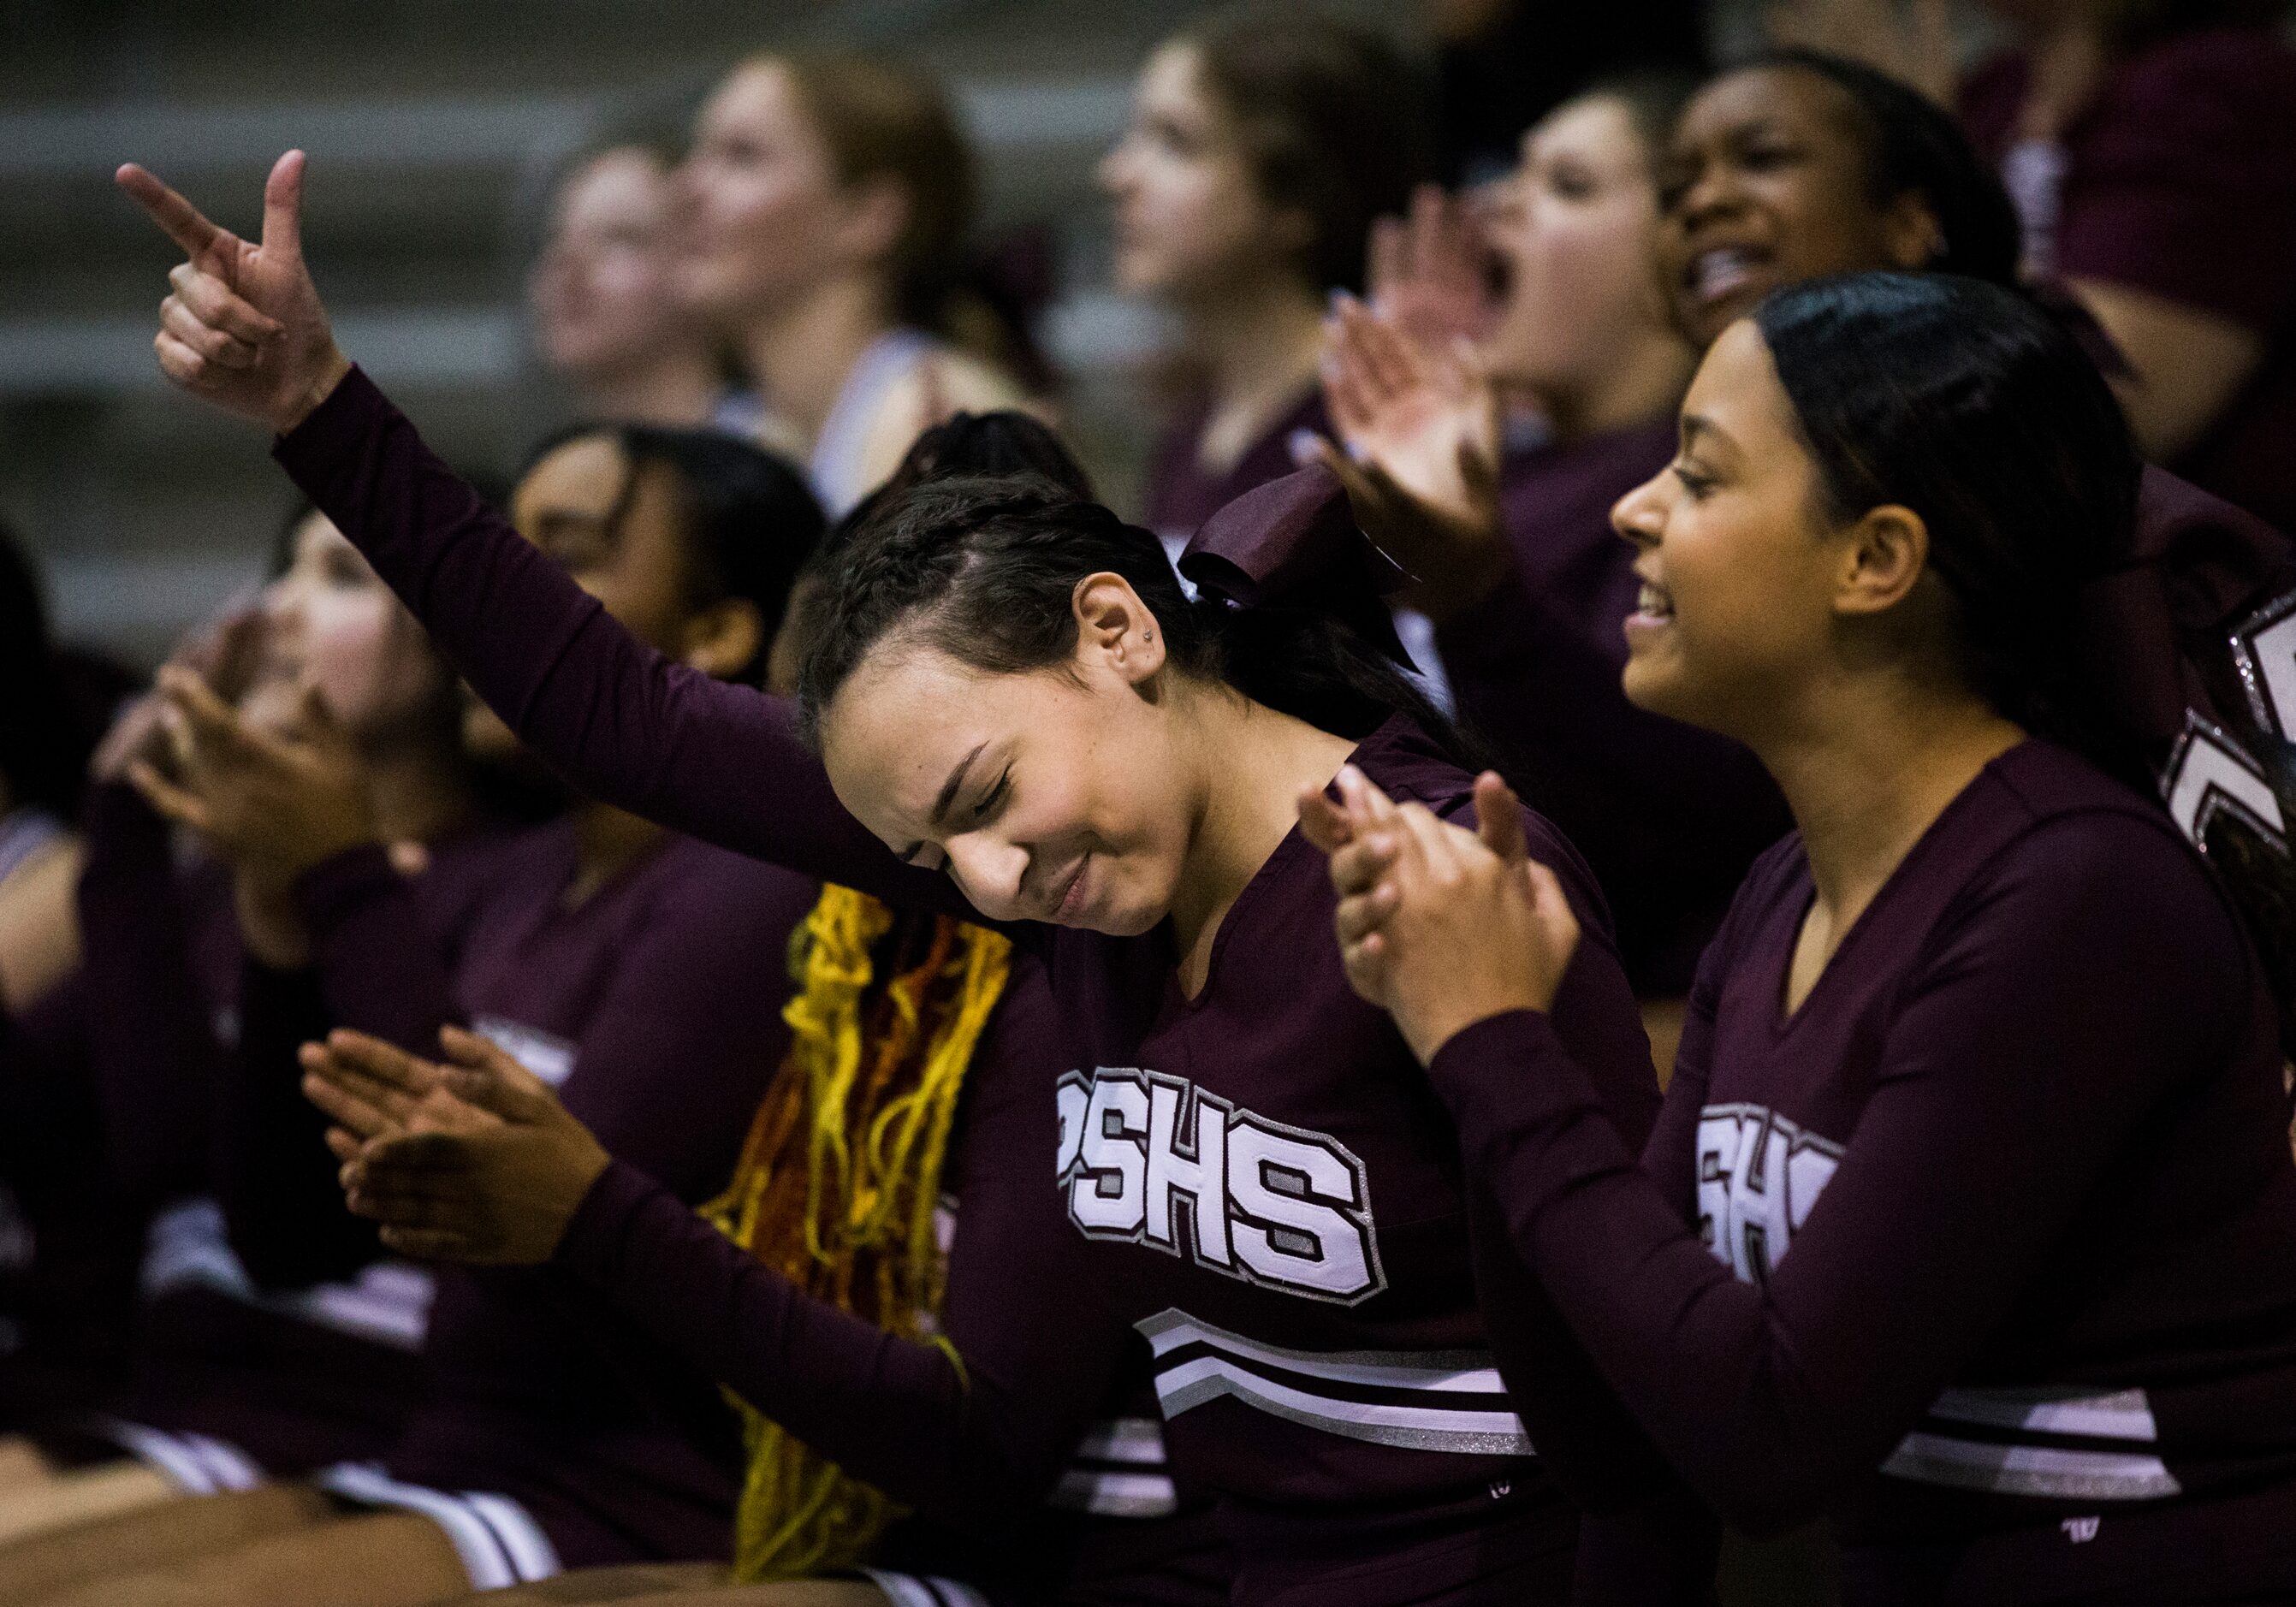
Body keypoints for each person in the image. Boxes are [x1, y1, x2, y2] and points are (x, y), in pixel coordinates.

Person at [120, 153, 1685, 1604]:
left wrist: (601, 1220)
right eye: (935, 857)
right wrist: (316, 404)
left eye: (984, 801)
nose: (990, 882)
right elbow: (619, 709)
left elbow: (1640, 1424)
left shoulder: (1443, 879)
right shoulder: (1066, 851)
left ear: (1119, 631)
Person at [1309, 271, 2296, 1604]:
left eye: (1700, 478)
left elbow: (1772, 1440)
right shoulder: (1782, 888)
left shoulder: (2076, 899)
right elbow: (1617, 1441)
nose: (1628, 508)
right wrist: (1493, 1036)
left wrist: (1492, 1046)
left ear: (1874, 558)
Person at [0, 426, 824, 1606]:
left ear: (714, 635)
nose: (488, 598)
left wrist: (337, 878)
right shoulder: (515, 877)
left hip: (617, 1484)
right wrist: (286, 927)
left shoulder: (741, 886)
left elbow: (529, 1246)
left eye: (565, 556)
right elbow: (287, 1236)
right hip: (433, 1455)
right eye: (498, 554)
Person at [0, 504, 500, 1565]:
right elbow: (141, 1140)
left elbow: (267, 1198)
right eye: (282, 572)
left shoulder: (497, 882)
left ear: (463, 635)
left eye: (344, 576)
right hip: (172, 1385)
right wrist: (127, 821)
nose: (276, 614)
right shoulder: (213, 888)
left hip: (339, 1411)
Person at [1318, 76, 1790, 1040]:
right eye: (1517, 173)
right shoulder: (1527, 474)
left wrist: (1479, 601)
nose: (1496, 205)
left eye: (1568, 184)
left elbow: (1683, 816)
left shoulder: (1694, 482)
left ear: (1679, 253)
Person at [1958, 0, 2296, 531]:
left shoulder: (2223, 85)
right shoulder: (1995, 88)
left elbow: (2102, 410)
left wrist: (1909, 176)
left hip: (2205, 573)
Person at [1099, 14, 1429, 547]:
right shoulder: (1192, 430)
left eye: (1175, 143)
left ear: (1296, 199)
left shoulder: (1365, 422)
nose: (1117, 175)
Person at [673, 50, 1031, 517]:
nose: (687, 187)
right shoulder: (745, 426)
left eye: (743, 157)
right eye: (697, 152)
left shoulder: (942, 424)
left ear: (868, 216)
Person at [529, 143, 724, 428]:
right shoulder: (561, 466)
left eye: (620, 237)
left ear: (699, 258)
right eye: (556, 236)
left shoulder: (771, 452)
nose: (566, 261)